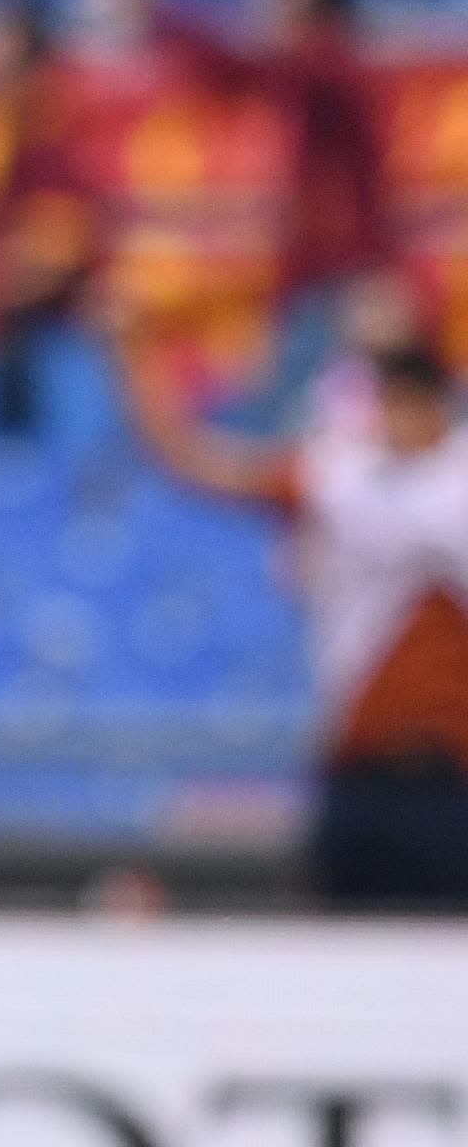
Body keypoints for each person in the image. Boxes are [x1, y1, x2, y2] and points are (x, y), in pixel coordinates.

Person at [126, 335, 468, 912]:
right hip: (362, 766)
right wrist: (134, 361)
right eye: (389, 403)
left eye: (409, 402)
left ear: (437, 405)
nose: (397, 420)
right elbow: (196, 462)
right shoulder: (340, 480)